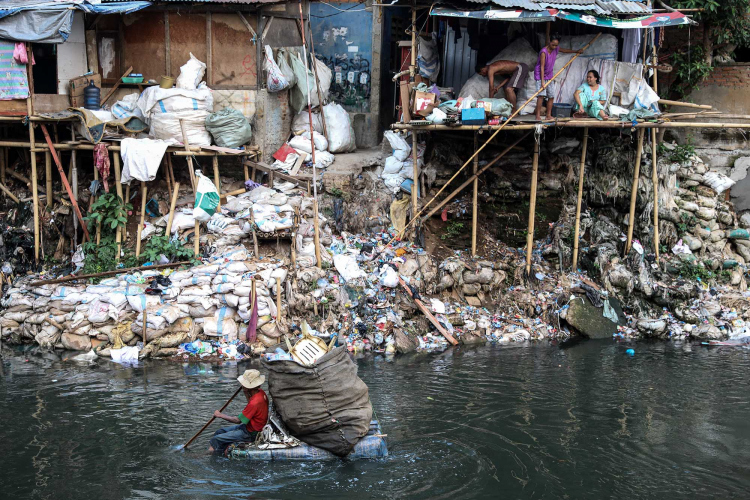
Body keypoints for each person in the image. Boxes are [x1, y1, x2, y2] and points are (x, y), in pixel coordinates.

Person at [208, 369, 269, 455]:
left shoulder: (255, 402)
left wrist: (220, 415)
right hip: (250, 427)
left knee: (216, 439)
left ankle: (211, 454)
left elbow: (237, 420)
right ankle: (221, 450)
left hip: (250, 433)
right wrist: (245, 392)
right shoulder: (261, 393)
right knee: (220, 431)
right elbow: (251, 405)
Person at [534, 34, 583, 121]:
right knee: (541, 96)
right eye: (553, 44)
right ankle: (537, 115)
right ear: (549, 41)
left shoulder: (556, 48)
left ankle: (548, 115)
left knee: (551, 96)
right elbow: (541, 67)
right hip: (540, 75)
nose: (554, 47)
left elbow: (564, 50)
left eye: (556, 45)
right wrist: (542, 82)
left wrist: (576, 51)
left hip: (549, 75)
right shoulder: (543, 52)